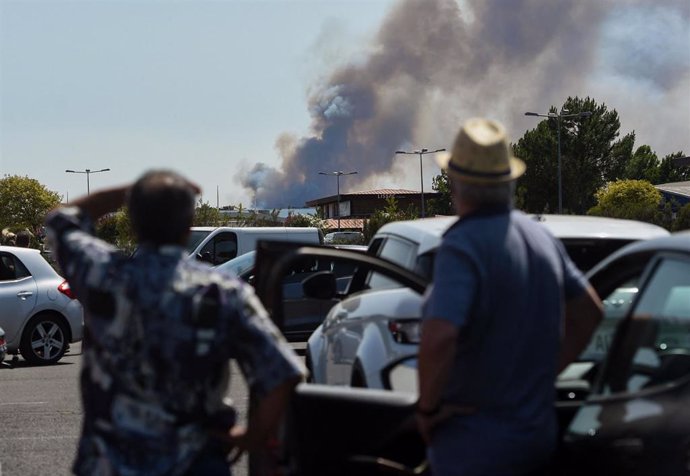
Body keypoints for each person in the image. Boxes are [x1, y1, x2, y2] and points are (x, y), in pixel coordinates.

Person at [45, 169, 305, 476]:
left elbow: (60, 220)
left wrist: (133, 192)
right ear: (188, 226)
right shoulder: (223, 293)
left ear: (134, 222)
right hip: (196, 464)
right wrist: (251, 437)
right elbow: (283, 374)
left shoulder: (102, 275)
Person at [416, 118, 603, 476]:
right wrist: (544, 376)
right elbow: (590, 313)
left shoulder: (462, 244)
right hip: (537, 439)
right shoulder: (541, 237)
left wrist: (427, 410)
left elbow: (440, 337)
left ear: (456, 184)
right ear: (509, 182)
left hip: (474, 451)